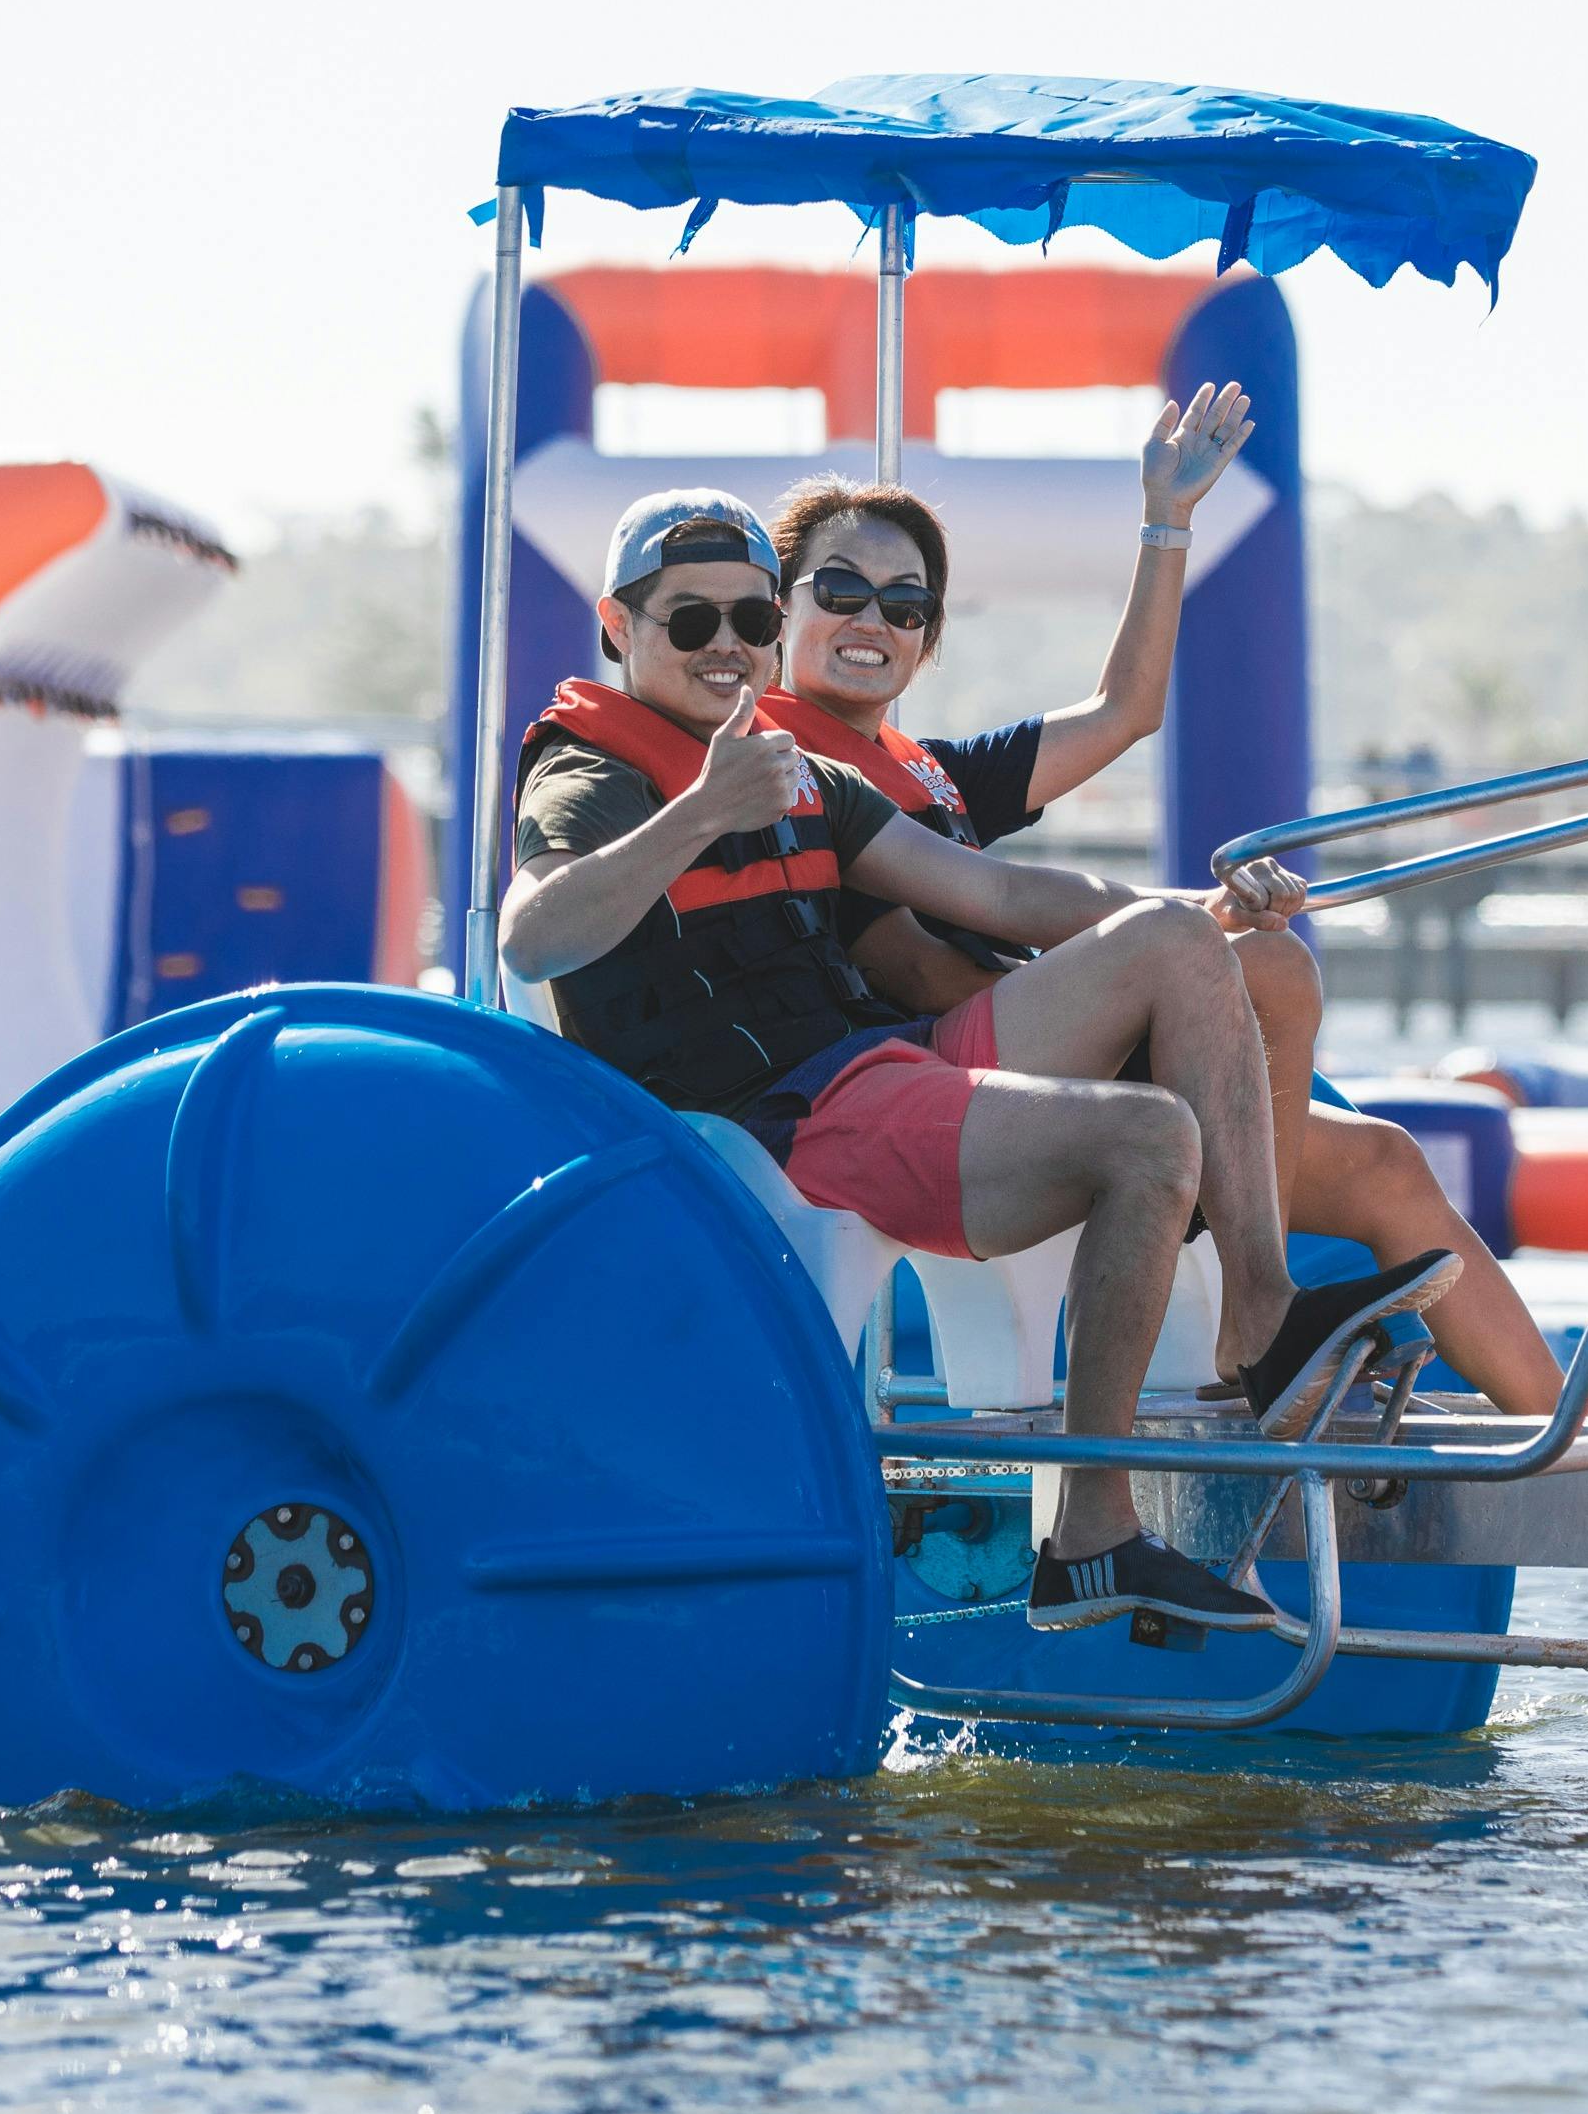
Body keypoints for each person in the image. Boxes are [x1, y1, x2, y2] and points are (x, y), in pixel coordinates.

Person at [499, 488, 1462, 1635]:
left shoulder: (797, 771)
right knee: (1151, 1135)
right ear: (619, 625)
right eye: (689, 622)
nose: (729, 650)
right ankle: (1092, 1536)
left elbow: (1000, 893)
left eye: (751, 624)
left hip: (881, 1068)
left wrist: (1202, 915)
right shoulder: (594, 777)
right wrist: (696, 817)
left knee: (1177, 945)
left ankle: (1262, 1314)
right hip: (777, 1126)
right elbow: (533, 934)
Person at [753, 390, 1568, 1413]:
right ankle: (1257, 1320)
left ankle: (1586, 1463)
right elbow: (917, 967)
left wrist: (1165, 521)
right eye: (840, 589)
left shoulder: (932, 772)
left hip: (1064, 1031)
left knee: (1381, 1159)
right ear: (778, 606)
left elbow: (1123, 712)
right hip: (930, 1086)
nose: (872, 621)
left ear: (930, 635)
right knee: (1230, 955)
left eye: (904, 606)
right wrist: (1155, 963)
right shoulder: (777, 767)